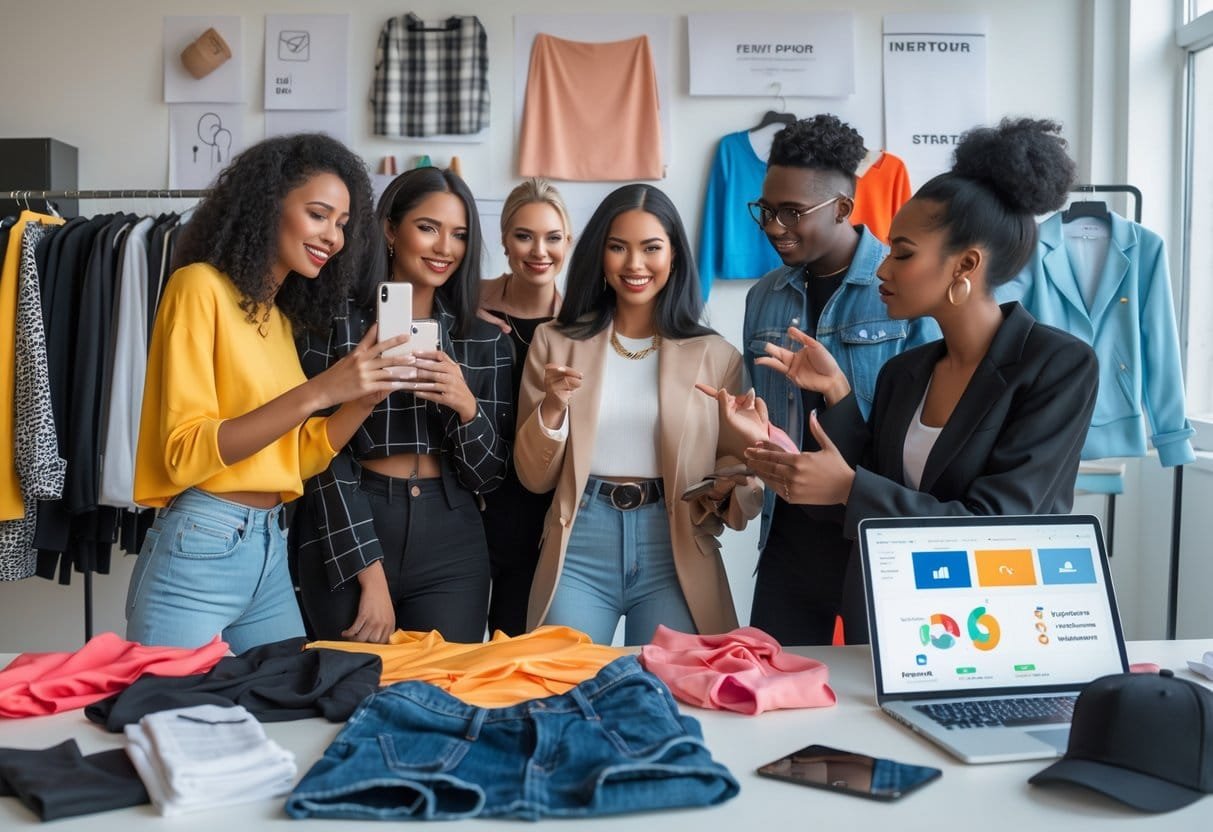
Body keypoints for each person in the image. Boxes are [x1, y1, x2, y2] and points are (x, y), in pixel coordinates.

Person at [738, 118, 1099, 643]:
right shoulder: (905, 372)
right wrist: (835, 393)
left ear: (965, 265)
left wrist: (848, 488)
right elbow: (880, 479)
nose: (883, 269)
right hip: (893, 614)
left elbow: (998, 525)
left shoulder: (1058, 366)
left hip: (992, 628)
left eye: (903, 254)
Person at [127, 133, 411, 653]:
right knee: (168, 705)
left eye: (342, 224)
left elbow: (296, 458)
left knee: (283, 698)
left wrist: (361, 400)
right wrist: (321, 389)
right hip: (202, 542)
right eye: (319, 215)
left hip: (269, 544)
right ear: (269, 203)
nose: (333, 237)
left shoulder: (278, 319)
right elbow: (183, 451)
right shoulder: (198, 288)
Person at [513, 183, 763, 646]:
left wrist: (746, 463)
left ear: (674, 256)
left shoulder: (715, 355)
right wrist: (553, 407)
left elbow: (739, 491)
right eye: (618, 247)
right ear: (599, 254)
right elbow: (534, 477)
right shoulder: (555, 342)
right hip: (580, 542)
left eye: (651, 248)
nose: (634, 264)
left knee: (673, 683)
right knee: (562, 679)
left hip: (675, 543)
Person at [740, 114, 939, 645]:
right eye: (766, 210)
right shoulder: (763, 297)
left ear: (843, 208)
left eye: (792, 212)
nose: (773, 226)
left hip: (878, 533)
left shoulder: (901, 291)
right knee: (774, 679)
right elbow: (764, 418)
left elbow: (925, 431)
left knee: (875, 683)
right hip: (788, 536)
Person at [294, 166, 513, 644]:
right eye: (428, 228)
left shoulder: (484, 339)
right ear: (391, 230)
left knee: (444, 686)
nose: (445, 248)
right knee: (350, 680)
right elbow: (317, 456)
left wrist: (467, 408)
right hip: (351, 521)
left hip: (453, 540)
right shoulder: (332, 323)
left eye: (459, 235)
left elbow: (489, 477)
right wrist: (369, 573)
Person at [477, 178, 572, 636]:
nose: (539, 251)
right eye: (524, 236)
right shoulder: (463, 300)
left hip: (538, 512)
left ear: (568, 242)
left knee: (515, 647)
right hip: (467, 505)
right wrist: (459, 314)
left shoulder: (579, 326)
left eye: (552, 237)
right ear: (504, 239)